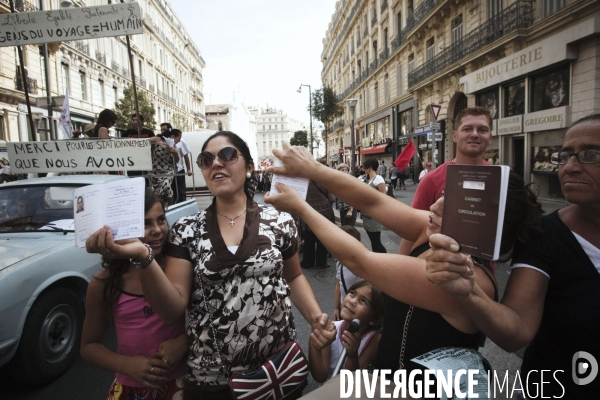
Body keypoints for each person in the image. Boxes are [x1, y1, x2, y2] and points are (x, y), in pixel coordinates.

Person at [265, 142, 540, 387]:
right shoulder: (436, 228)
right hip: (387, 374)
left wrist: (302, 208)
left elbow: (360, 260)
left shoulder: (461, 276)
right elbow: (372, 200)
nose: (435, 205)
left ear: (479, 223)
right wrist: (313, 169)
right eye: (444, 194)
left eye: (454, 205)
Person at [86, 131, 330, 399]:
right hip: (212, 380)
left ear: (249, 166)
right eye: (205, 159)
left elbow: (294, 277)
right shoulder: (185, 231)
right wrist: (142, 257)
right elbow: (172, 309)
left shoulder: (280, 221)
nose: (215, 163)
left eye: (227, 155)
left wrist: (316, 319)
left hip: (277, 369)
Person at [425, 114, 600, 398]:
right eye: (565, 156)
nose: (570, 167)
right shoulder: (545, 235)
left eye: (589, 154)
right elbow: (516, 330)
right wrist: (469, 291)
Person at [80, 190, 187, 400]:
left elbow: (206, 317)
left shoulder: (177, 269)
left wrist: (185, 341)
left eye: (161, 220)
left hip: (181, 381)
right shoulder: (103, 284)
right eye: (145, 224)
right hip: (130, 387)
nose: (157, 230)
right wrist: (128, 365)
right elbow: (88, 347)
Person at [398, 106, 493, 256]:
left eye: (482, 129)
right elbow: (412, 230)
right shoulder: (431, 179)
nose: (475, 134)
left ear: (490, 137)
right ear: (455, 136)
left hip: (483, 271)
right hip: (438, 268)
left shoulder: (499, 180)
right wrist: (400, 273)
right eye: (467, 129)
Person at [309, 279, 383, 383]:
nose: (352, 301)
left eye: (363, 301)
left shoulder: (374, 339)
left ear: (374, 319)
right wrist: (314, 339)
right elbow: (320, 376)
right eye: (352, 293)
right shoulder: (331, 329)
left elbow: (349, 383)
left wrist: (352, 355)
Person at [301, 179, 335, 269]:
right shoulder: (321, 179)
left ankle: (307, 262)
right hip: (323, 212)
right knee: (322, 238)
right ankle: (321, 263)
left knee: (309, 237)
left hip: (308, 211)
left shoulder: (302, 181)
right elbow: (332, 198)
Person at [333, 225, 362, 320]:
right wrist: (336, 307)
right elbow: (338, 284)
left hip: (357, 313)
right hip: (344, 307)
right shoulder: (340, 263)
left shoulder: (360, 267)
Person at [361, 157, 387, 253]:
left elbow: (383, 196)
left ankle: (385, 259)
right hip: (367, 215)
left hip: (373, 216)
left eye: (365, 167)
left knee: (376, 241)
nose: (364, 169)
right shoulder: (368, 179)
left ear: (370, 167)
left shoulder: (378, 178)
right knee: (373, 241)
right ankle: (378, 260)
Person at [149, 130, 179, 206]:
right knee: (158, 191)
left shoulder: (174, 147)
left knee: (166, 185)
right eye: (179, 138)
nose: (179, 141)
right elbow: (145, 141)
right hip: (156, 170)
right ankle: (162, 206)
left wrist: (175, 153)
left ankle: (169, 206)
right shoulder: (158, 140)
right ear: (173, 137)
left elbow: (176, 161)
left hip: (168, 170)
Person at [123, 114, 156, 180]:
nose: (135, 122)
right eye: (133, 120)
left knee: (146, 182)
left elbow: (153, 146)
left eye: (137, 120)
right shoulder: (127, 133)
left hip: (146, 162)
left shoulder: (149, 133)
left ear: (142, 121)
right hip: (132, 162)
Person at [169, 129, 192, 204]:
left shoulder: (181, 142)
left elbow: (186, 156)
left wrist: (188, 169)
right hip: (169, 172)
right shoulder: (164, 143)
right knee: (172, 193)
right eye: (179, 137)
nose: (179, 139)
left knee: (181, 192)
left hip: (179, 170)